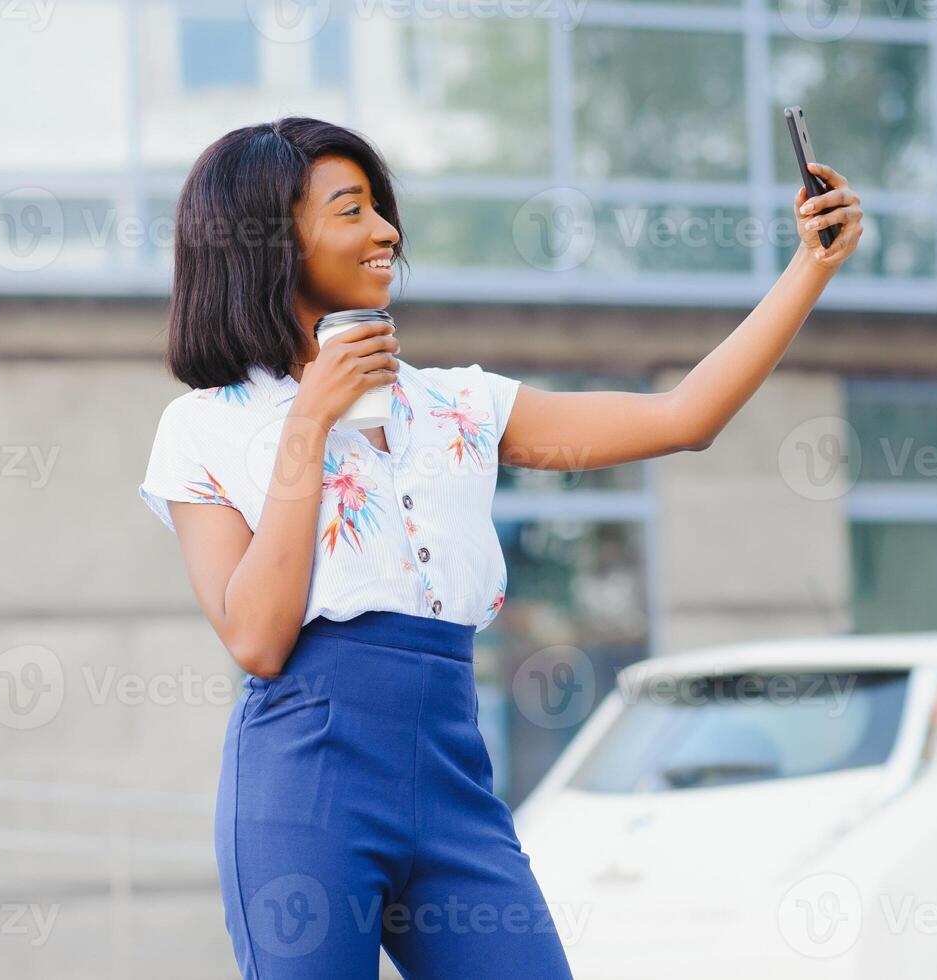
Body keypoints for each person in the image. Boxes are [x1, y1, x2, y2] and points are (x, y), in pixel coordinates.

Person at [136, 116, 862, 979]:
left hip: (449, 762)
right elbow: (255, 639)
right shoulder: (203, 428)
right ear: (269, 243)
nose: (386, 232)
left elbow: (683, 418)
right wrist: (311, 420)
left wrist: (810, 267)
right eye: (351, 210)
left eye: (381, 208)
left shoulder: (458, 407)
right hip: (306, 778)